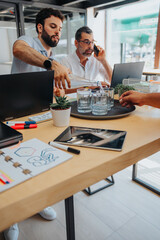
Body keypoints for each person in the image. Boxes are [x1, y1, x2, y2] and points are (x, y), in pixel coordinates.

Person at [4, 8, 69, 240]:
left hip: (40, 113)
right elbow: (18, 50)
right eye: (53, 27)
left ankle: (38, 202)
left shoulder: (50, 53)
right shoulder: (27, 41)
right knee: (13, 164)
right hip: (14, 114)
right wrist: (51, 64)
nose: (57, 32)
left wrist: (55, 89)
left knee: (41, 159)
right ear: (40, 27)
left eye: (60, 29)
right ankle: (10, 218)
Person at [61, 26, 112, 94]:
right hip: (74, 101)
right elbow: (62, 91)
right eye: (86, 42)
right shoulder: (66, 62)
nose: (91, 47)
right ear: (76, 43)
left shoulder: (96, 60)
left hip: (94, 101)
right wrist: (88, 88)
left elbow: (111, 80)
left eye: (92, 42)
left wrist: (103, 61)